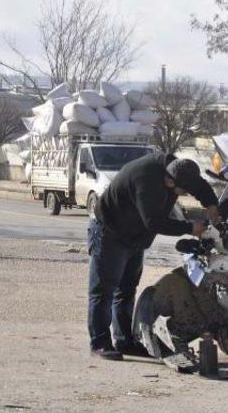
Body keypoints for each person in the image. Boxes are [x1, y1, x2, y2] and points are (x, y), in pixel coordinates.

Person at [87, 151, 220, 361]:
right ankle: (100, 343)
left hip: (135, 237)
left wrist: (212, 204)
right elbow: (154, 222)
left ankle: (124, 341)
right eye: (180, 191)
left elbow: (199, 186)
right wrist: (190, 227)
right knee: (104, 290)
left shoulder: (179, 170)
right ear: (169, 180)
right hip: (110, 232)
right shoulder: (145, 178)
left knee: (126, 290)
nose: (183, 193)